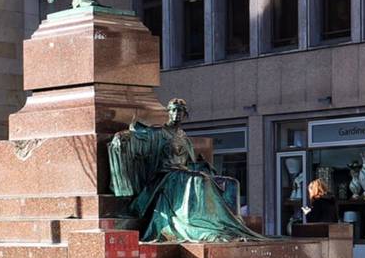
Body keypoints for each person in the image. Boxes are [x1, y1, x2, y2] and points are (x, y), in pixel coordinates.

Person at [109, 99, 265, 243]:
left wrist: (202, 165)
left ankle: (229, 225)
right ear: (168, 112)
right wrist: (122, 137)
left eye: (180, 111)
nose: (177, 114)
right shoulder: (159, 133)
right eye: (174, 110)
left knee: (231, 183)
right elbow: (139, 137)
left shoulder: (184, 137)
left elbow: (189, 163)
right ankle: (200, 224)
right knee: (199, 180)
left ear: (185, 114)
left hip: (184, 172)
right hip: (167, 176)